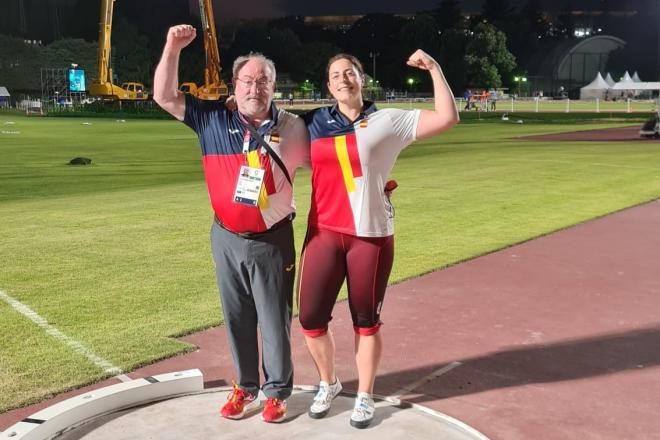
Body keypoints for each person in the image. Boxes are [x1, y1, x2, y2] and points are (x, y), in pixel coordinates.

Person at [153, 24, 309, 423]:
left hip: (273, 240)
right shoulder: (210, 119)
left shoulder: (294, 128)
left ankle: (276, 391)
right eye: (247, 80)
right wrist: (172, 48)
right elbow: (164, 96)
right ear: (234, 85)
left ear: (273, 87)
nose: (254, 88)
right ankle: (245, 386)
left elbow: (335, 163)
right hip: (225, 237)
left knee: (274, 319)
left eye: (263, 81)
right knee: (236, 316)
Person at [297, 50, 459, 428]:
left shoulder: (387, 120)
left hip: (369, 237)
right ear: (328, 84)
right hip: (323, 233)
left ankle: (366, 395)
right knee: (309, 319)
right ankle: (329, 383)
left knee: (366, 321)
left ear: (361, 79)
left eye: (349, 72)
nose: (343, 79)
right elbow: (266, 127)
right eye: (335, 74)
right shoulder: (312, 122)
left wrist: (435, 68)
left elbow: (448, 117)